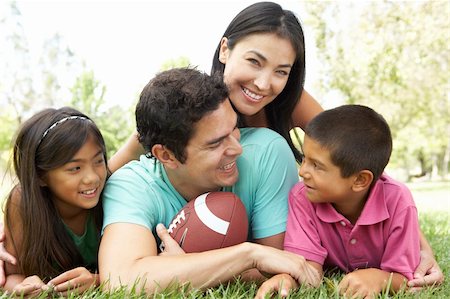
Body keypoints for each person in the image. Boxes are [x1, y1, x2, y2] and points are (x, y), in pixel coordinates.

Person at [107, 1, 443, 288]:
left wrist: (417, 245)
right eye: (254, 61)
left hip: (286, 225)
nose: (264, 83)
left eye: (281, 71)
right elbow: (117, 173)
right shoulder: (183, 111)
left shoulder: (283, 115)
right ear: (225, 50)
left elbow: (357, 158)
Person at [99, 67, 320, 294]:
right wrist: (249, 255)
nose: (237, 148)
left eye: (234, 128)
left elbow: (283, 266)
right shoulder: (131, 185)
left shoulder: (267, 153)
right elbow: (121, 280)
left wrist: (183, 268)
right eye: (215, 143)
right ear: (167, 155)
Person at [256, 105, 422, 298]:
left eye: (317, 165)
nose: (302, 172)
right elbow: (308, 268)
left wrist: (380, 278)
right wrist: (287, 278)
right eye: (304, 159)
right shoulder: (302, 197)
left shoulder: (398, 201)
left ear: (360, 180)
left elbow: (405, 278)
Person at [2, 107, 108, 297]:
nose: (92, 177)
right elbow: (10, 276)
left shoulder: (114, 193)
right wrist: (24, 286)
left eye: (98, 161)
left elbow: (140, 267)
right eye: (75, 168)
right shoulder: (22, 203)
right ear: (40, 176)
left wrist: (98, 280)